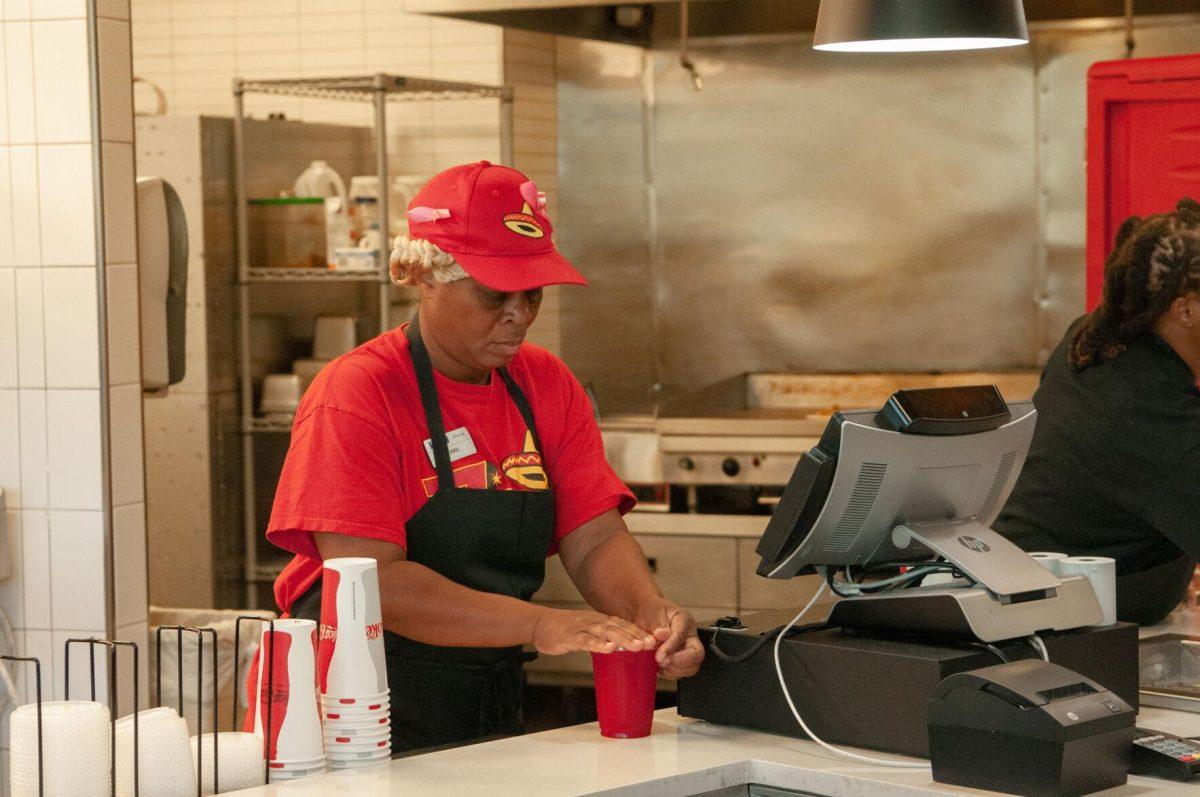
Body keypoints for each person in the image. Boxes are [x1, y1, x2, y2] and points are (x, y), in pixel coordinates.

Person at [265, 161, 705, 753]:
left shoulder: (545, 383)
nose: (519, 314)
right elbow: (370, 584)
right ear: (425, 277)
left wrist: (650, 612)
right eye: (495, 293)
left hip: (488, 706)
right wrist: (542, 623)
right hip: (354, 714)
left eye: (532, 293)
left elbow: (594, 537)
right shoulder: (358, 393)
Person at [994, 198, 1200, 625]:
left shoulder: (1093, 341)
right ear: (1185, 310)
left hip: (1015, 583)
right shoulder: (1150, 419)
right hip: (1060, 624)